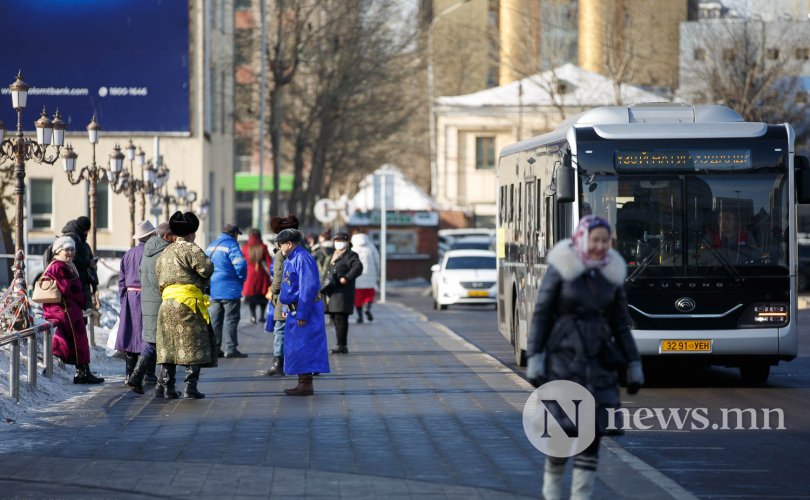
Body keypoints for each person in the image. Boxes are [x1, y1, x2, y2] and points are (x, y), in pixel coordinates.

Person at [525, 215, 643, 500]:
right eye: (596, 240)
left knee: (592, 438)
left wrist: (633, 363)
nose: (601, 246)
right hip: (563, 361)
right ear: (583, 238)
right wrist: (535, 356)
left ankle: (581, 496)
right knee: (561, 437)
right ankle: (552, 493)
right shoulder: (561, 268)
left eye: (606, 240)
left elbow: (620, 325)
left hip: (600, 365)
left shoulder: (611, 274)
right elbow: (541, 315)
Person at [156, 212, 216, 399]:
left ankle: (167, 387)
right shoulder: (191, 249)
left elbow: (158, 274)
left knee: (169, 346)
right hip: (187, 303)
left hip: (166, 304)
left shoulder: (166, 251)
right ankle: (191, 387)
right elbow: (207, 268)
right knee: (194, 343)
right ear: (191, 234)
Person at [41, 236, 104, 384]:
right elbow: (68, 288)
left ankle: (83, 371)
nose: (70, 253)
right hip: (64, 309)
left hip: (69, 308)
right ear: (58, 251)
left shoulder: (66, 264)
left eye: (72, 249)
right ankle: (82, 372)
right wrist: (81, 297)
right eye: (66, 250)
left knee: (80, 340)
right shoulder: (58, 266)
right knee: (78, 340)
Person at [274, 228, 330, 395]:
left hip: (304, 310)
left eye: (280, 244)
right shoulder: (291, 258)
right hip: (294, 310)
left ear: (289, 243)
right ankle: (302, 381)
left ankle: (305, 383)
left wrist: (302, 314)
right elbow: (289, 285)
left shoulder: (302, 258)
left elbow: (308, 288)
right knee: (296, 348)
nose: (278, 248)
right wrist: (285, 306)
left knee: (304, 347)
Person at [128, 222, 174, 395]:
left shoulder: (147, 251)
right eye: (173, 236)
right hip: (162, 302)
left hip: (147, 301)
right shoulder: (165, 253)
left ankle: (149, 381)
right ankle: (144, 379)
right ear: (165, 236)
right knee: (166, 345)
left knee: (152, 343)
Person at [116, 220, 156, 383]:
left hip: (130, 298)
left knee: (130, 335)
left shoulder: (128, 254)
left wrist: (124, 299)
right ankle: (149, 374)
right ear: (150, 235)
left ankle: (128, 373)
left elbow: (121, 280)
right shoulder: (152, 253)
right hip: (148, 298)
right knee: (150, 335)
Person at [260, 214, 299, 377]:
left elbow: (278, 276)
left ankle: (278, 363)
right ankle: (301, 362)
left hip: (283, 297)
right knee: (298, 329)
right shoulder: (301, 250)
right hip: (299, 297)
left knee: (280, 329)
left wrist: (273, 291)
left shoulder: (280, 254)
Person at [206, 223, 248, 358]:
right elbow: (240, 264)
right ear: (234, 234)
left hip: (214, 288)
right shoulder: (232, 245)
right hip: (230, 288)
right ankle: (230, 349)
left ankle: (215, 348)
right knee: (231, 319)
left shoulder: (211, 245)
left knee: (215, 320)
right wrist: (240, 278)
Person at [322, 232, 363, 354]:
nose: (338, 243)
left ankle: (342, 345)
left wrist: (347, 277)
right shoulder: (333, 254)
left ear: (346, 242)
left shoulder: (351, 255)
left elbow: (358, 267)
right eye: (336, 240)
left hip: (343, 292)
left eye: (341, 240)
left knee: (340, 318)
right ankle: (340, 344)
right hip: (332, 291)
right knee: (335, 318)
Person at [45, 216, 98, 311]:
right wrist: (88, 263)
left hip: (74, 286)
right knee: (82, 315)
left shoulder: (75, 239)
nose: (70, 253)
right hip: (74, 286)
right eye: (68, 250)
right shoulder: (72, 239)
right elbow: (75, 259)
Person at [241, 228, 272, 325]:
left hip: (250, 275)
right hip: (261, 275)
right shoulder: (263, 247)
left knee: (251, 297)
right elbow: (269, 262)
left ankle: (253, 316)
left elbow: (242, 261)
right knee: (263, 297)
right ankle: (262, 316)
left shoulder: (245, 247)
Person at [350, 232, 380, 323]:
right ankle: (367, 307)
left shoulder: (353, 248)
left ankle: (360, 317)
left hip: (357, 278)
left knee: (358, 298)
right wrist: (377, 272)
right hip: (370, 277)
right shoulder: (371, 247)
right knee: (369, 295)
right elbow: (377, 261)